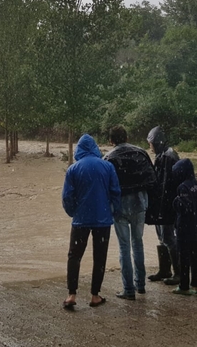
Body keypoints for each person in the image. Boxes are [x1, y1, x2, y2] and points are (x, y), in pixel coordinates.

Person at [62, 134, 121, 309]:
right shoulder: (108, 167)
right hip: (102, 221)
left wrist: (74, 212)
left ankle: (71, 294)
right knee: (99, 257)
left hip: (81, 221)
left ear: (79, 149)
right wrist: (112, 212)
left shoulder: (73, 169)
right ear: (95, 148)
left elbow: (67, 197)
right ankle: (95, 295)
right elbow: (116, 193)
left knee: (75, 256)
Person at [104, 125, 158, 300]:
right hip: (140, 204)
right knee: (138, 243)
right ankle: (140, 285)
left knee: (124, 247)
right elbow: (152, 179)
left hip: (119, 207)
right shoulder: (140, 153)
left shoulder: (108, 158)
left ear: (111, 141)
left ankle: (128, 289)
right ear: (126, 137)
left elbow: (106, 186)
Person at [145, 126, 180, 286]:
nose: (150, 146)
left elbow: (165, 186)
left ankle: (178, 273)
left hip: (166, 206)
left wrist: (161, 208)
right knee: (162, 238)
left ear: (156, 142)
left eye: (151, 143)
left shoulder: (168, 157)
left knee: (168, 238)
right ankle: (165, 270)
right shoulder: (165, 155)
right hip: (164, 205)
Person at [170, 158, 197, 295]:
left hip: (184, 229)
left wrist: (175, 202)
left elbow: (184, 208)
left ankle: (184, 286)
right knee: (195, 257)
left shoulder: (182, 187)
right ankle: (196, 285)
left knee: (183, 257)